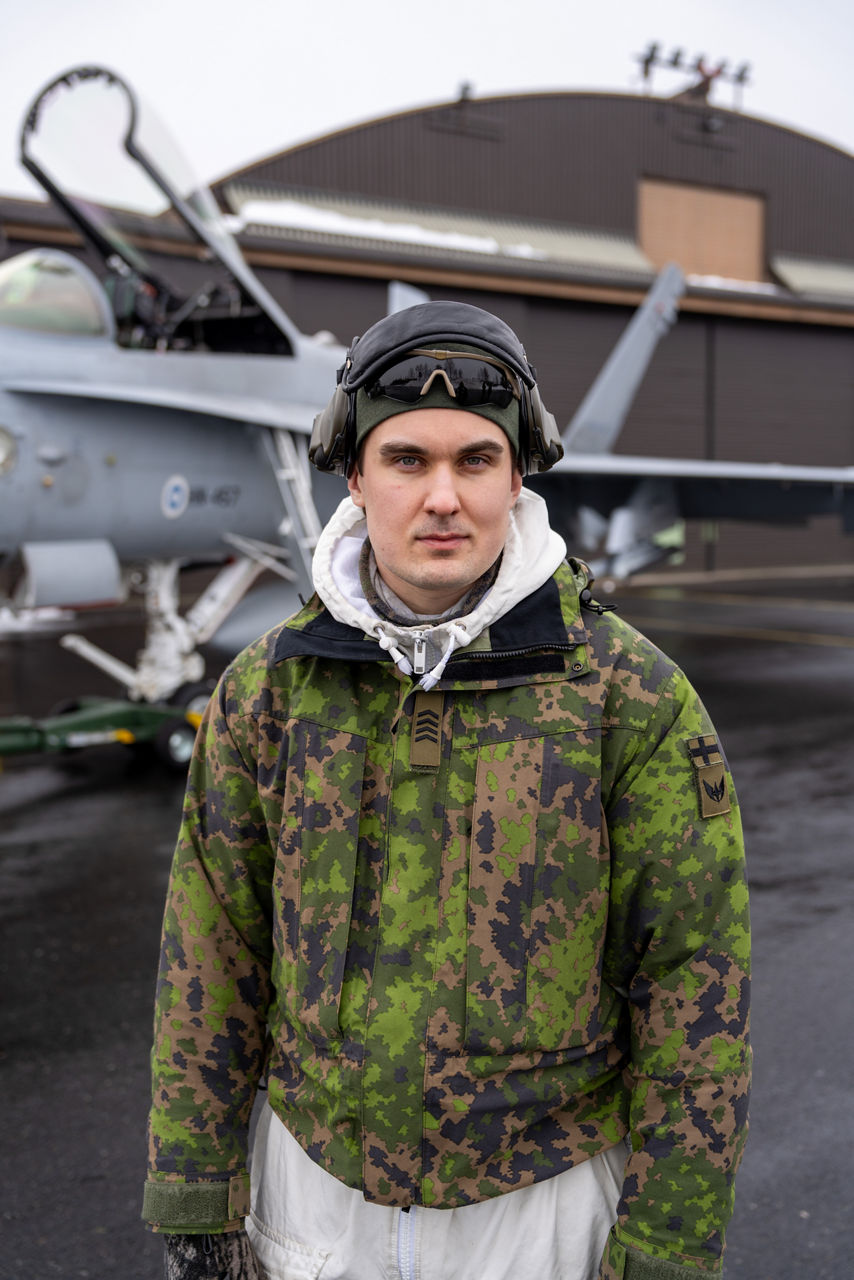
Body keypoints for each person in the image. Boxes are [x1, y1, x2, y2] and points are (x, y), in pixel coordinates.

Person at [142, 300, 751, 1280]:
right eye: (406, 459)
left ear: (515, 476)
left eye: (473, 460)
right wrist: (193, 1186)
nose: (441, 496)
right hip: (314, 1199)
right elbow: (211, 949)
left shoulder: (628, 699)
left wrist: (670, 1239)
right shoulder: (268, 691)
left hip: (541, 1211)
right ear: (355, 474)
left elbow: (693, 980)